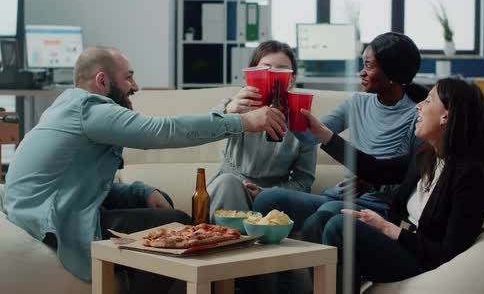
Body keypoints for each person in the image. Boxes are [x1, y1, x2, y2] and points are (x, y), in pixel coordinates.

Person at [1, 46, 286, 292]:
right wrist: (242, 122)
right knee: (176, 226)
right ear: (102, 80)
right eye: (128, 77)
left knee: (165, 211)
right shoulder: (90, 110)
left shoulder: (68, 107)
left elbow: (78, 185)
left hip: (51, 207)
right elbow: (164, 130)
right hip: (51, 219)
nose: (135, 86)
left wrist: (141, 192)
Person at [301, 78, 484, 293]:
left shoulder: (473, 175)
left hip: (426, 259)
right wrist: (323, 133)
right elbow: (375, 169)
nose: (418, 106)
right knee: (320, 220)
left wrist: (387, 228)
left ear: (446, 116)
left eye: (428, 100)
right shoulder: (428, 155)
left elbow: (449, 250)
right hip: (403, 243)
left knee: (340, 226)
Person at [254, 32, 427, 243]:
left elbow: (414, 175)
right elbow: (311, 138)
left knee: (325, 215)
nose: (361, 73)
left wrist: (373, 181)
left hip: (376, 208)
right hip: (338, 196)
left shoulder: (417, 116)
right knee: (267, 199)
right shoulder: (356, 103)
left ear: (391, 73)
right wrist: (285, 112)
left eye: (368, 66)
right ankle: (269, 275)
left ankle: (316, 276)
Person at [207, 40, 317, 214]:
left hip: (274, 198)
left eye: (281, 70)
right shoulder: (234, 105)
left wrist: (266, 193)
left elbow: (303, 181)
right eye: (266, 68)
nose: (273, 76)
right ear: (251, 74)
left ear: (292, 79)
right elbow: (204, 128)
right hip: (227, 191)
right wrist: (231, 109)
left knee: (272, 203)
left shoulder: (302, 120)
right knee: (228, 183)